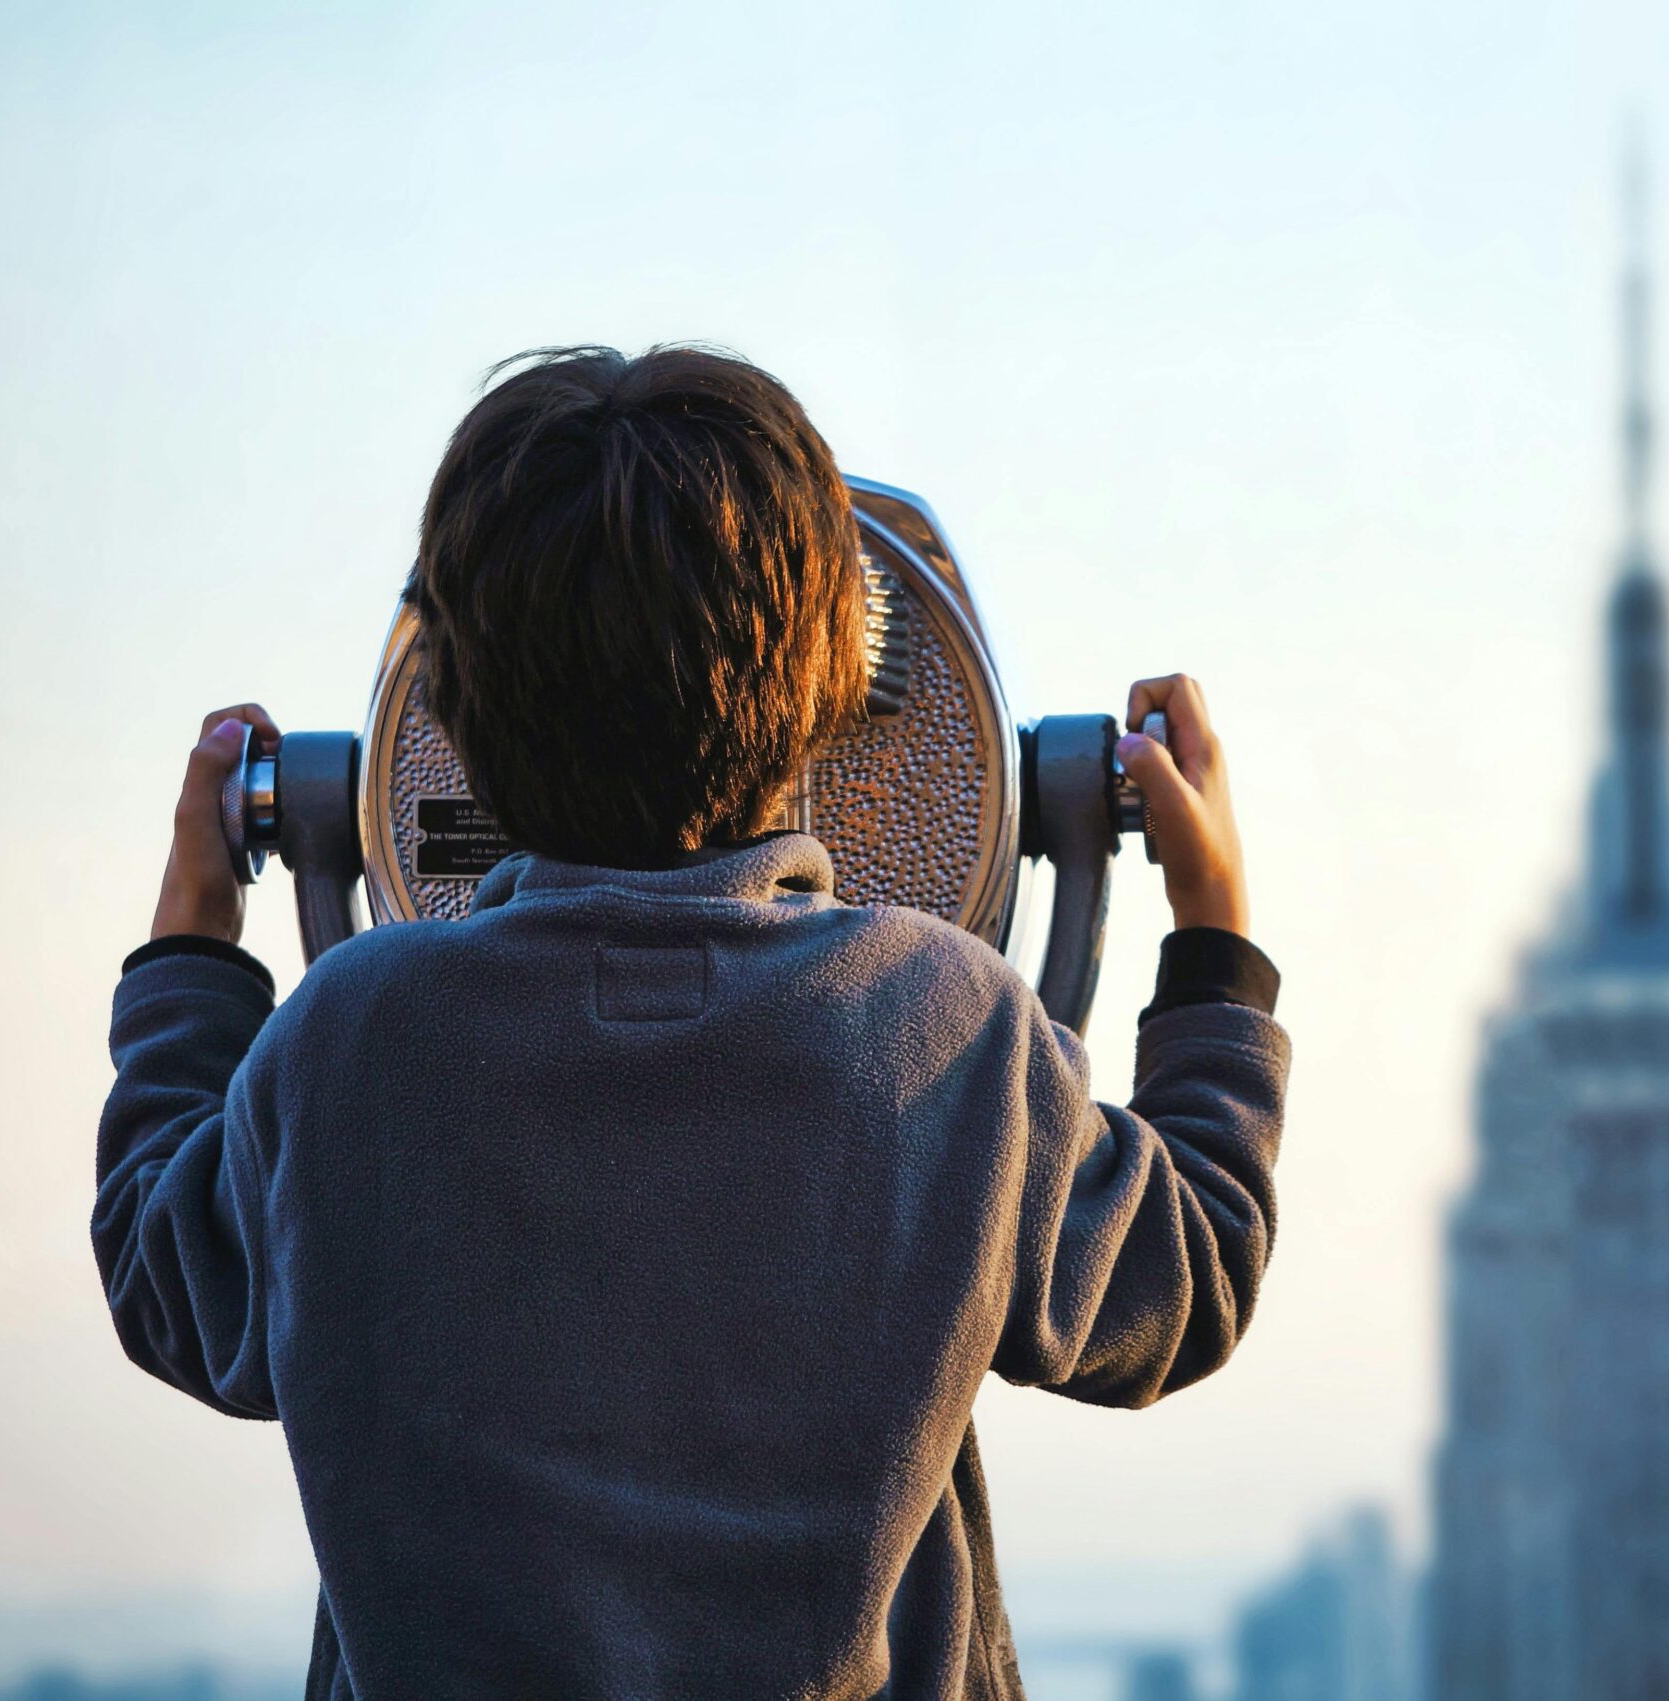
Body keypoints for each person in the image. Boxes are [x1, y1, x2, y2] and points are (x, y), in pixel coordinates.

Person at [93, 346, 1291, 1700]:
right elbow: (1192, 1274)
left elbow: (166, 1277)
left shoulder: (344, 1045)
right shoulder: (944, 1030)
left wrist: (194, 933)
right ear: (835, 686)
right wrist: (1214, 940)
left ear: (447, 709)